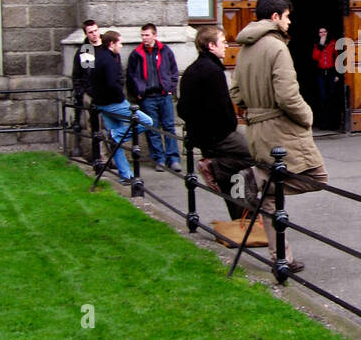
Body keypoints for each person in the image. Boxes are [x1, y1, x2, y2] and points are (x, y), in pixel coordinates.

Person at [230, 0, 328, 275]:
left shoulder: (247, 47)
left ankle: (280, 258)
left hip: (257, 129)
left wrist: (254, 109)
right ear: (275, 17)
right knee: (318, 177)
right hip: (280, 129)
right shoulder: (276, 47)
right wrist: (307, 116)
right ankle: (258, 180)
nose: (290, 22)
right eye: (287, 16)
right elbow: (287, 96)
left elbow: (235, 92)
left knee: (270, 200)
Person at [177, 26, 260, 225]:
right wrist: (228, 126)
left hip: (203, 134)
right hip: (218, 134)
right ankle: (215, 167)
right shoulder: (212, 71)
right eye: (222, 42)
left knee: (228, 178)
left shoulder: (192, 70)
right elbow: (221, 108)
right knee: (258, 155)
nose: (226, 45)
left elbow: (182, 109)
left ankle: (241, 219)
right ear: (211, 45)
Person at [90, 31, 153, 183]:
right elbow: (113, 84)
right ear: (111, 44)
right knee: (146, 122)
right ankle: (114, 135)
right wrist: (120, 98)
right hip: (113, 103)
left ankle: (125, 176)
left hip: (102, 103)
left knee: (115, 143)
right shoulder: (109, 60)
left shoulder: (101, 57)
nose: (121, 45)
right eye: (119, 43)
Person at [126, 23, 181, 172]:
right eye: (142, 35)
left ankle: (173, 158)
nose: (144, 38)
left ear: (154, 35)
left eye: (147, 35)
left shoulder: (165, 51)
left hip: (164, 95)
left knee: (169, 127)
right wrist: (137, 93)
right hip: (147, 97)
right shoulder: (136, 54)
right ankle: (159, 159)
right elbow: (130, 76)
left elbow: (173, 71)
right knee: (152, 129)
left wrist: (171, 88)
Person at [70, 19, 101, 159]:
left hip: (107, 93)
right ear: (86, 34)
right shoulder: (85, 51)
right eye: (91, 32)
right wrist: (83, 92)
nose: (94, 34)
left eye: (95, 31)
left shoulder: (106, 46)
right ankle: (97, 157)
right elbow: (79, 75)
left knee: (110, 127)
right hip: (90, 94)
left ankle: (110, 158)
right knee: (93, 128)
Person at [311, 25, 339, 129]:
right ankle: (323, 123)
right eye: (320, 32)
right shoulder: (316, 44)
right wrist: (320, 45)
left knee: (332, 97)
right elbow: (315, 57)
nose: (323, 34)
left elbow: (337, 58)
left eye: (324, 32)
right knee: (322, 98)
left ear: (327, 32)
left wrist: (337, 74)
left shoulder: (333, 43)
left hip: (331, 72)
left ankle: (333, 124)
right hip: (321, 73)